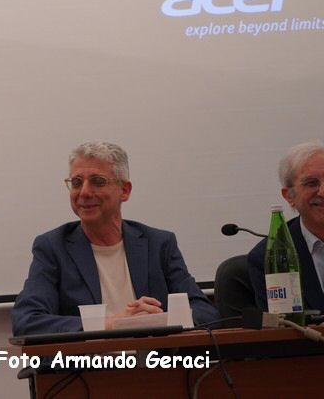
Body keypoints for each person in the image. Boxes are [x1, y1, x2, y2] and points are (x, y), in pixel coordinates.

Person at [12, 141, 217, 335]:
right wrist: (112, 324)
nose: (84, 192)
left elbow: (206, 313)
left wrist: (156, 321)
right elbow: (27, 321)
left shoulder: (159, 244)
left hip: (155, 359)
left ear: (124, 191)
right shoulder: (53, 247)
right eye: (76, 182)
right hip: (87, 361)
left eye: (98, 182)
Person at [247, 141, 324, 313]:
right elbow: (282, 326)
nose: (323, 191)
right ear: (289, 196)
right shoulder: (268, 257)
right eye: (312, 183)